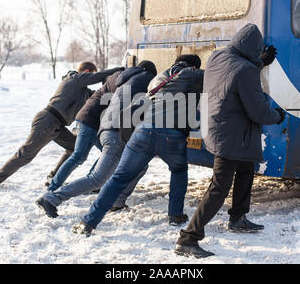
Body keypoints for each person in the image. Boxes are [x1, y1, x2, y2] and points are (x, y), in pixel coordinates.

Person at [174, 24, 285, 258]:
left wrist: (258, 62)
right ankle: (188, 238)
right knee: (219, 187)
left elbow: (232, 74)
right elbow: (258, 112)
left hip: (219, 127)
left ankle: (238, 218)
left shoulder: (218, 56)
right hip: (232, 134)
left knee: (247, 167)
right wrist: (278, 115)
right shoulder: (247, 70)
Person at [72, 55, 205, 237]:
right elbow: (216, 75)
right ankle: (175, 215)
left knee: (119, 177)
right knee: (179, 170)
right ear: (193, 65)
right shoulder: (193, 73)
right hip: (172, 135)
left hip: (143, 131)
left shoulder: (159, 77)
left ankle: (88, 221)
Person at [36, 61, 158, 218]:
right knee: (96, 178)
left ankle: (117, 201)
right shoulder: (146, 80)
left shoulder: (123, 79)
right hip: (116, 132)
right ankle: (51, 198)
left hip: (106, 128)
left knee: (140, 166)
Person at [0, 62, 123, 193]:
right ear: (87, 72)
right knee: (26, 153)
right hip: (47, 120)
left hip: (58, 125)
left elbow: (99, 96)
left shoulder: (84, 91)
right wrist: (118, 70)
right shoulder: (74, 78)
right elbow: (96, 77)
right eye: (91, 74)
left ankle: (53, 177)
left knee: (74, 147)